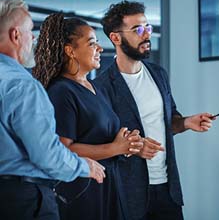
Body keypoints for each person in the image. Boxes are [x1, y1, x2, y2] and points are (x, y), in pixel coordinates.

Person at [94, 0, 216, 220]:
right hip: (129, 194)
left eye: (147, 27)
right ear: (115, 38)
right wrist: (134, 148)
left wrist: (187, 122)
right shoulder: (102, 87)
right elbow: (102, 143)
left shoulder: (158, 74)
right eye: (138, 29)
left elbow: (169, 120)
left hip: (168, 189)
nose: (146, 35)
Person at [0, 0, 106, 220]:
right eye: (30, 31)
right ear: (15, 35)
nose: (34, 38)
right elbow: (46, 155)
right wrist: (83, 166)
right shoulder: (22, 85)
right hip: (22, 200)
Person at [32, 13, 143, 220]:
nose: (100, 48)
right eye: (92, 43)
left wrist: (127, 144)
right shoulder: (61, 92)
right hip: (83, 194)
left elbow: (100, 136)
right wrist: (114, 148)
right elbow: (62, 149)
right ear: (70, 51)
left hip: (107, 187)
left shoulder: (92, 87)